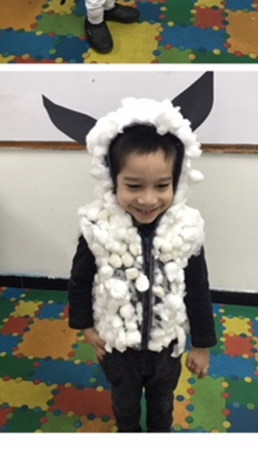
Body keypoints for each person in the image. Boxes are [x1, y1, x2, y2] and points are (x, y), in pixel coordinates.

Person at [67, 98, 216, 432]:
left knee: (163, 406)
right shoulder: (98, 229)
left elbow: (198, 290)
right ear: (113, 180)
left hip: (167, 348)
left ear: (177, 181)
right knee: (125, 405)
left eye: (162, 186)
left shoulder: (186, 230)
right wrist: (86, 327)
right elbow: (79, 282)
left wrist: (202, 345)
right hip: (118, 349)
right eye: (133, 186)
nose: (148, 199)